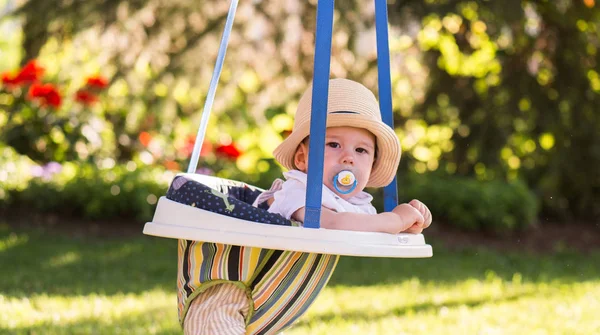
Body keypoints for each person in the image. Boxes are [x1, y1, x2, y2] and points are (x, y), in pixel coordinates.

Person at [181, 78, 432, 335]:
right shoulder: (296, 190)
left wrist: (409, 221)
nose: (348, 157)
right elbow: (332, 223)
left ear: (372, 165)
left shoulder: (356, 205)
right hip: (223, 294)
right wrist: (393, 221)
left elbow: (369, 227)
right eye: (333, 144)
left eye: (361, 150)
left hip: (268, 298)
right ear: (302, 158)